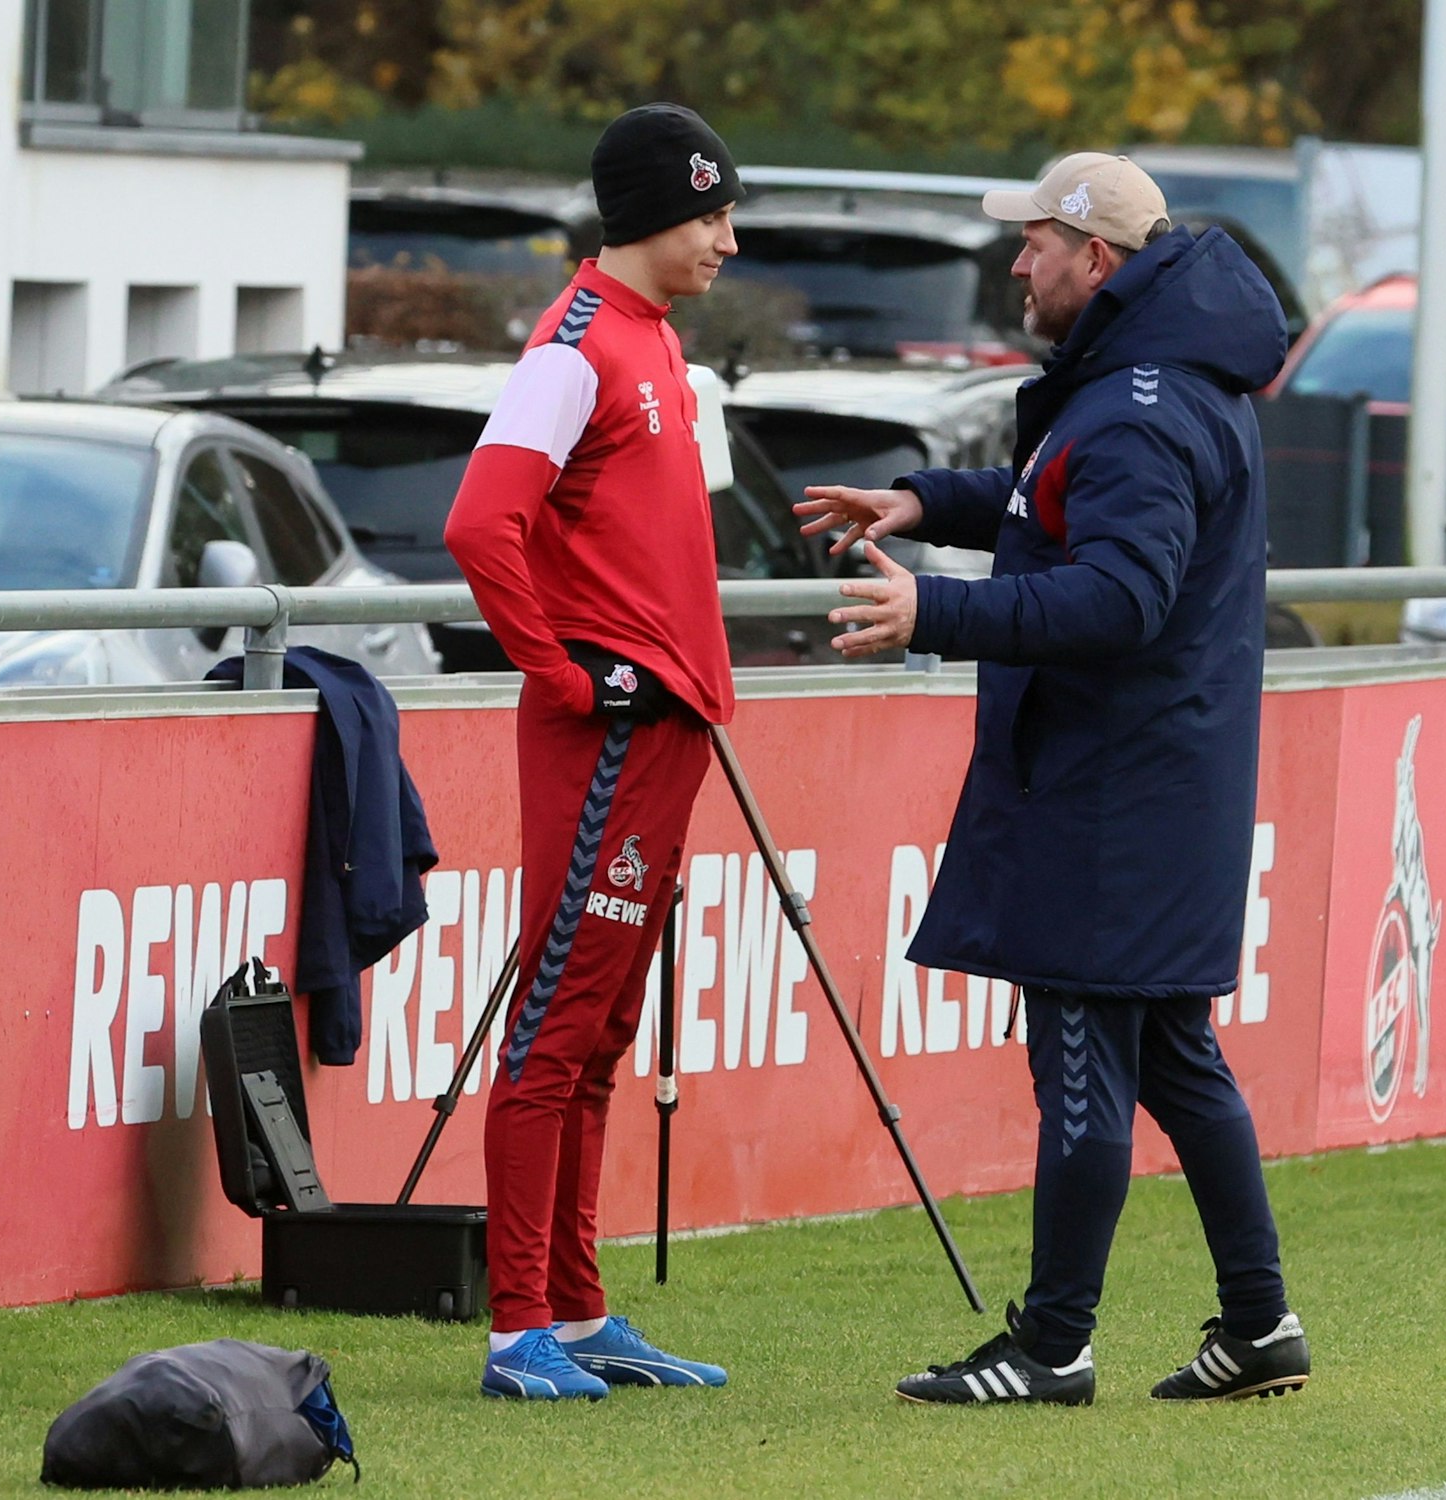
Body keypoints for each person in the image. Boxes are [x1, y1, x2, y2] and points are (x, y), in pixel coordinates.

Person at [795, 152, 1310, 1406]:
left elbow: (1119, 595)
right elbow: (1053, 504)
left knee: (1084, 1063)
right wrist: (923, 500)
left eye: (1035, 242)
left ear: (1101, 260)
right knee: (1178, 1056)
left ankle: (1051, 1344)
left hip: (1112, 793)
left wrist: (935, 614)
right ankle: (1259, 1327)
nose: (1016, 262)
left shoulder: (1135, 401)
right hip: (1156, 780)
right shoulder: (1156, 380)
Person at [443, 102, 741, 1402]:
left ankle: (576, 1305)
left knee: (605, 1028)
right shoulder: (575, 345)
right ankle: (519, 1329)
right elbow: (477, 524)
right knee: (553, 1030)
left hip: (669, 724)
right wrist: (560, 672)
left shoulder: (654, 344)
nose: (728, 239)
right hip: (609, 732)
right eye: (712, 214)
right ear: (650, 215)